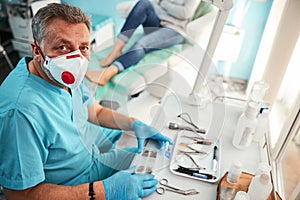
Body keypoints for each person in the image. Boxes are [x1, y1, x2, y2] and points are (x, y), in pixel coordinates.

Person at [0, 3, 173, 200]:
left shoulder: (63, 76)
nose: (75, 58)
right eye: (62, 47)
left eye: (83, 48)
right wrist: (105, 191)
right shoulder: (21, 112)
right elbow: (21, 196)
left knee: (156, 161)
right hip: (67, 188)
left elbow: (96, 112)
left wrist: (133, 123)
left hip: (91, 162)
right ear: (37, 50)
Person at [85, 0, 201, 86]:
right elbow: (154, 3)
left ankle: (107, 73)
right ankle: (116, 50)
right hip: (158, 22)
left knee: (142, 43)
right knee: (144, 3)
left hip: (174, 30)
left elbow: (185, 13)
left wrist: (163, 4)